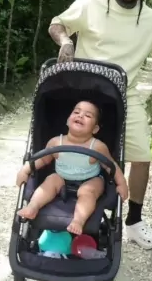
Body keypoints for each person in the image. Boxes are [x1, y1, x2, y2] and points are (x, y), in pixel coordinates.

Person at [47, 0, 152, 250]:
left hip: (126, 93)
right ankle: (56, 200)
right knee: (66, 143)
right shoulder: (90, 3)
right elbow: (57, 24)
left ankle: (134, 221)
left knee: (143, 156)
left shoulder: (151, 20)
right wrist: (66, 41)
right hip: (84, 91)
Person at [16, 100, 128, 235]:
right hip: (62, 179)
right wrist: (25, 170)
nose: (80, 116)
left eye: (88, 115)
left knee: (88, 191)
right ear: (67, 121)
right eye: (76, 112)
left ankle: (78, 220)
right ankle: (33, 206)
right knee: (51, 180)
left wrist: (121, 184)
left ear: (95, 129)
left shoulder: (97, 146)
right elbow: (42, 160)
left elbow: (111, 166)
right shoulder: (56, 142)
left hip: (90, 179)